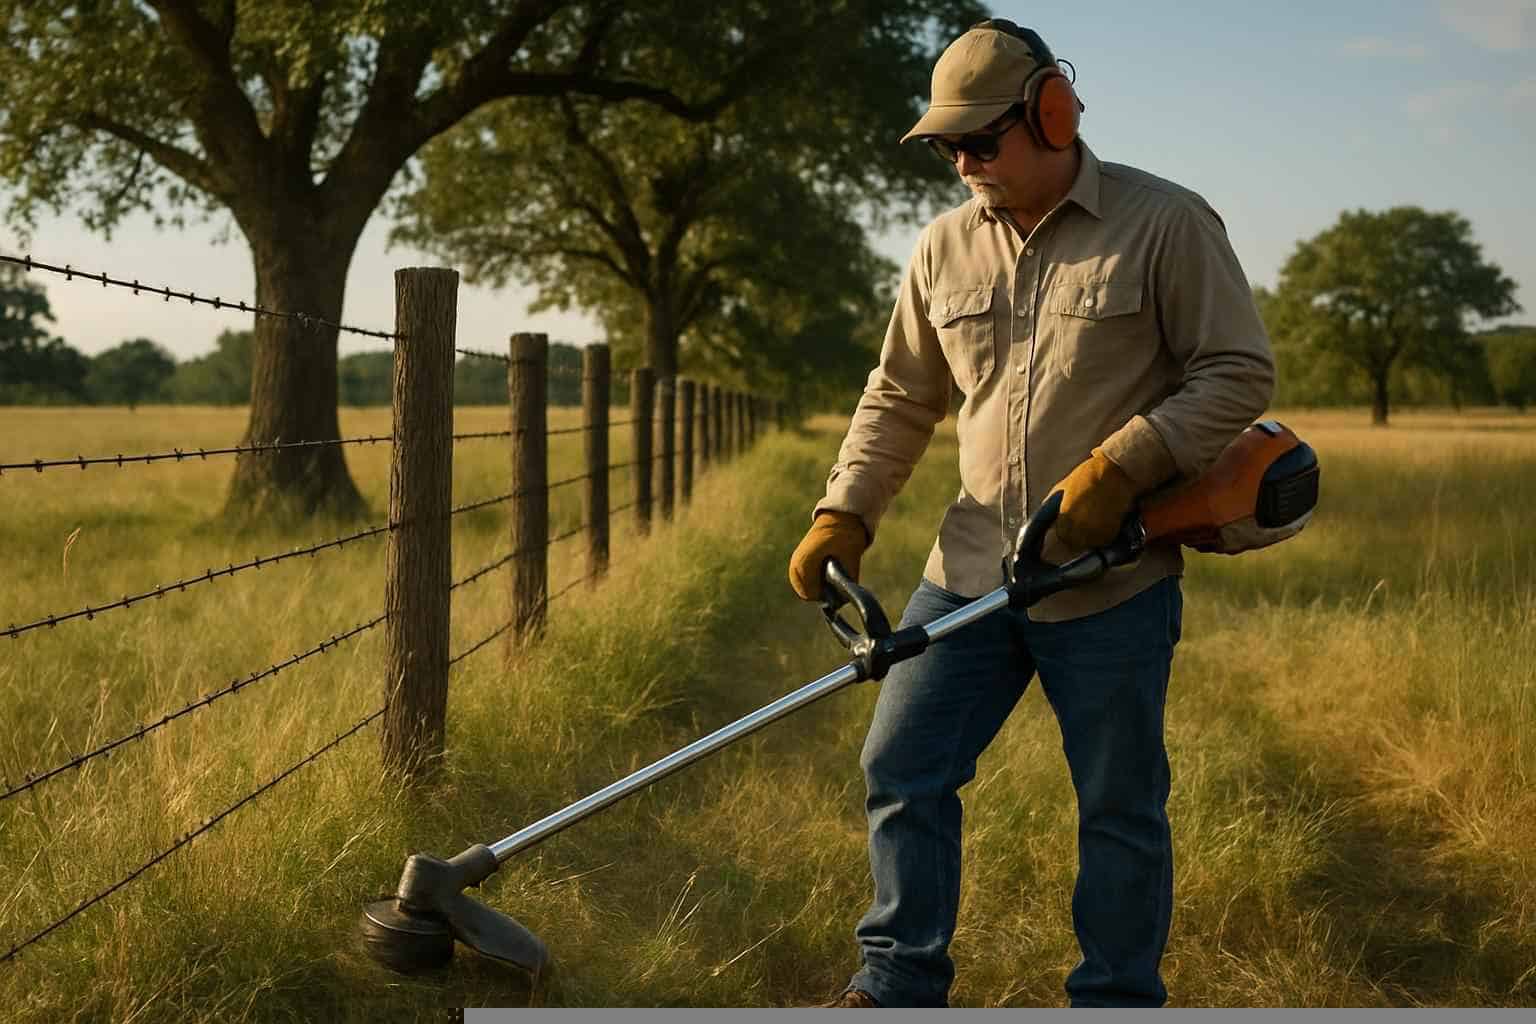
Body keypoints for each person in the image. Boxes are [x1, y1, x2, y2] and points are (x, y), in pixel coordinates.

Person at [787, 18, 1275, 1009]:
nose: (964, 163)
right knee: (903, 764)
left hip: (1110, 577)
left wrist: (1125, 463)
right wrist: (843, 511)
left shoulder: (1166, 224)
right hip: (968, 564)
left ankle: (1116, 995)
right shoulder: (940, 248)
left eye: (979, 141)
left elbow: (1238, 371)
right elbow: (900, 395)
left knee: (1119, 805)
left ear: (1052, 112)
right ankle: (896, 982)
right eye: (948, 148)